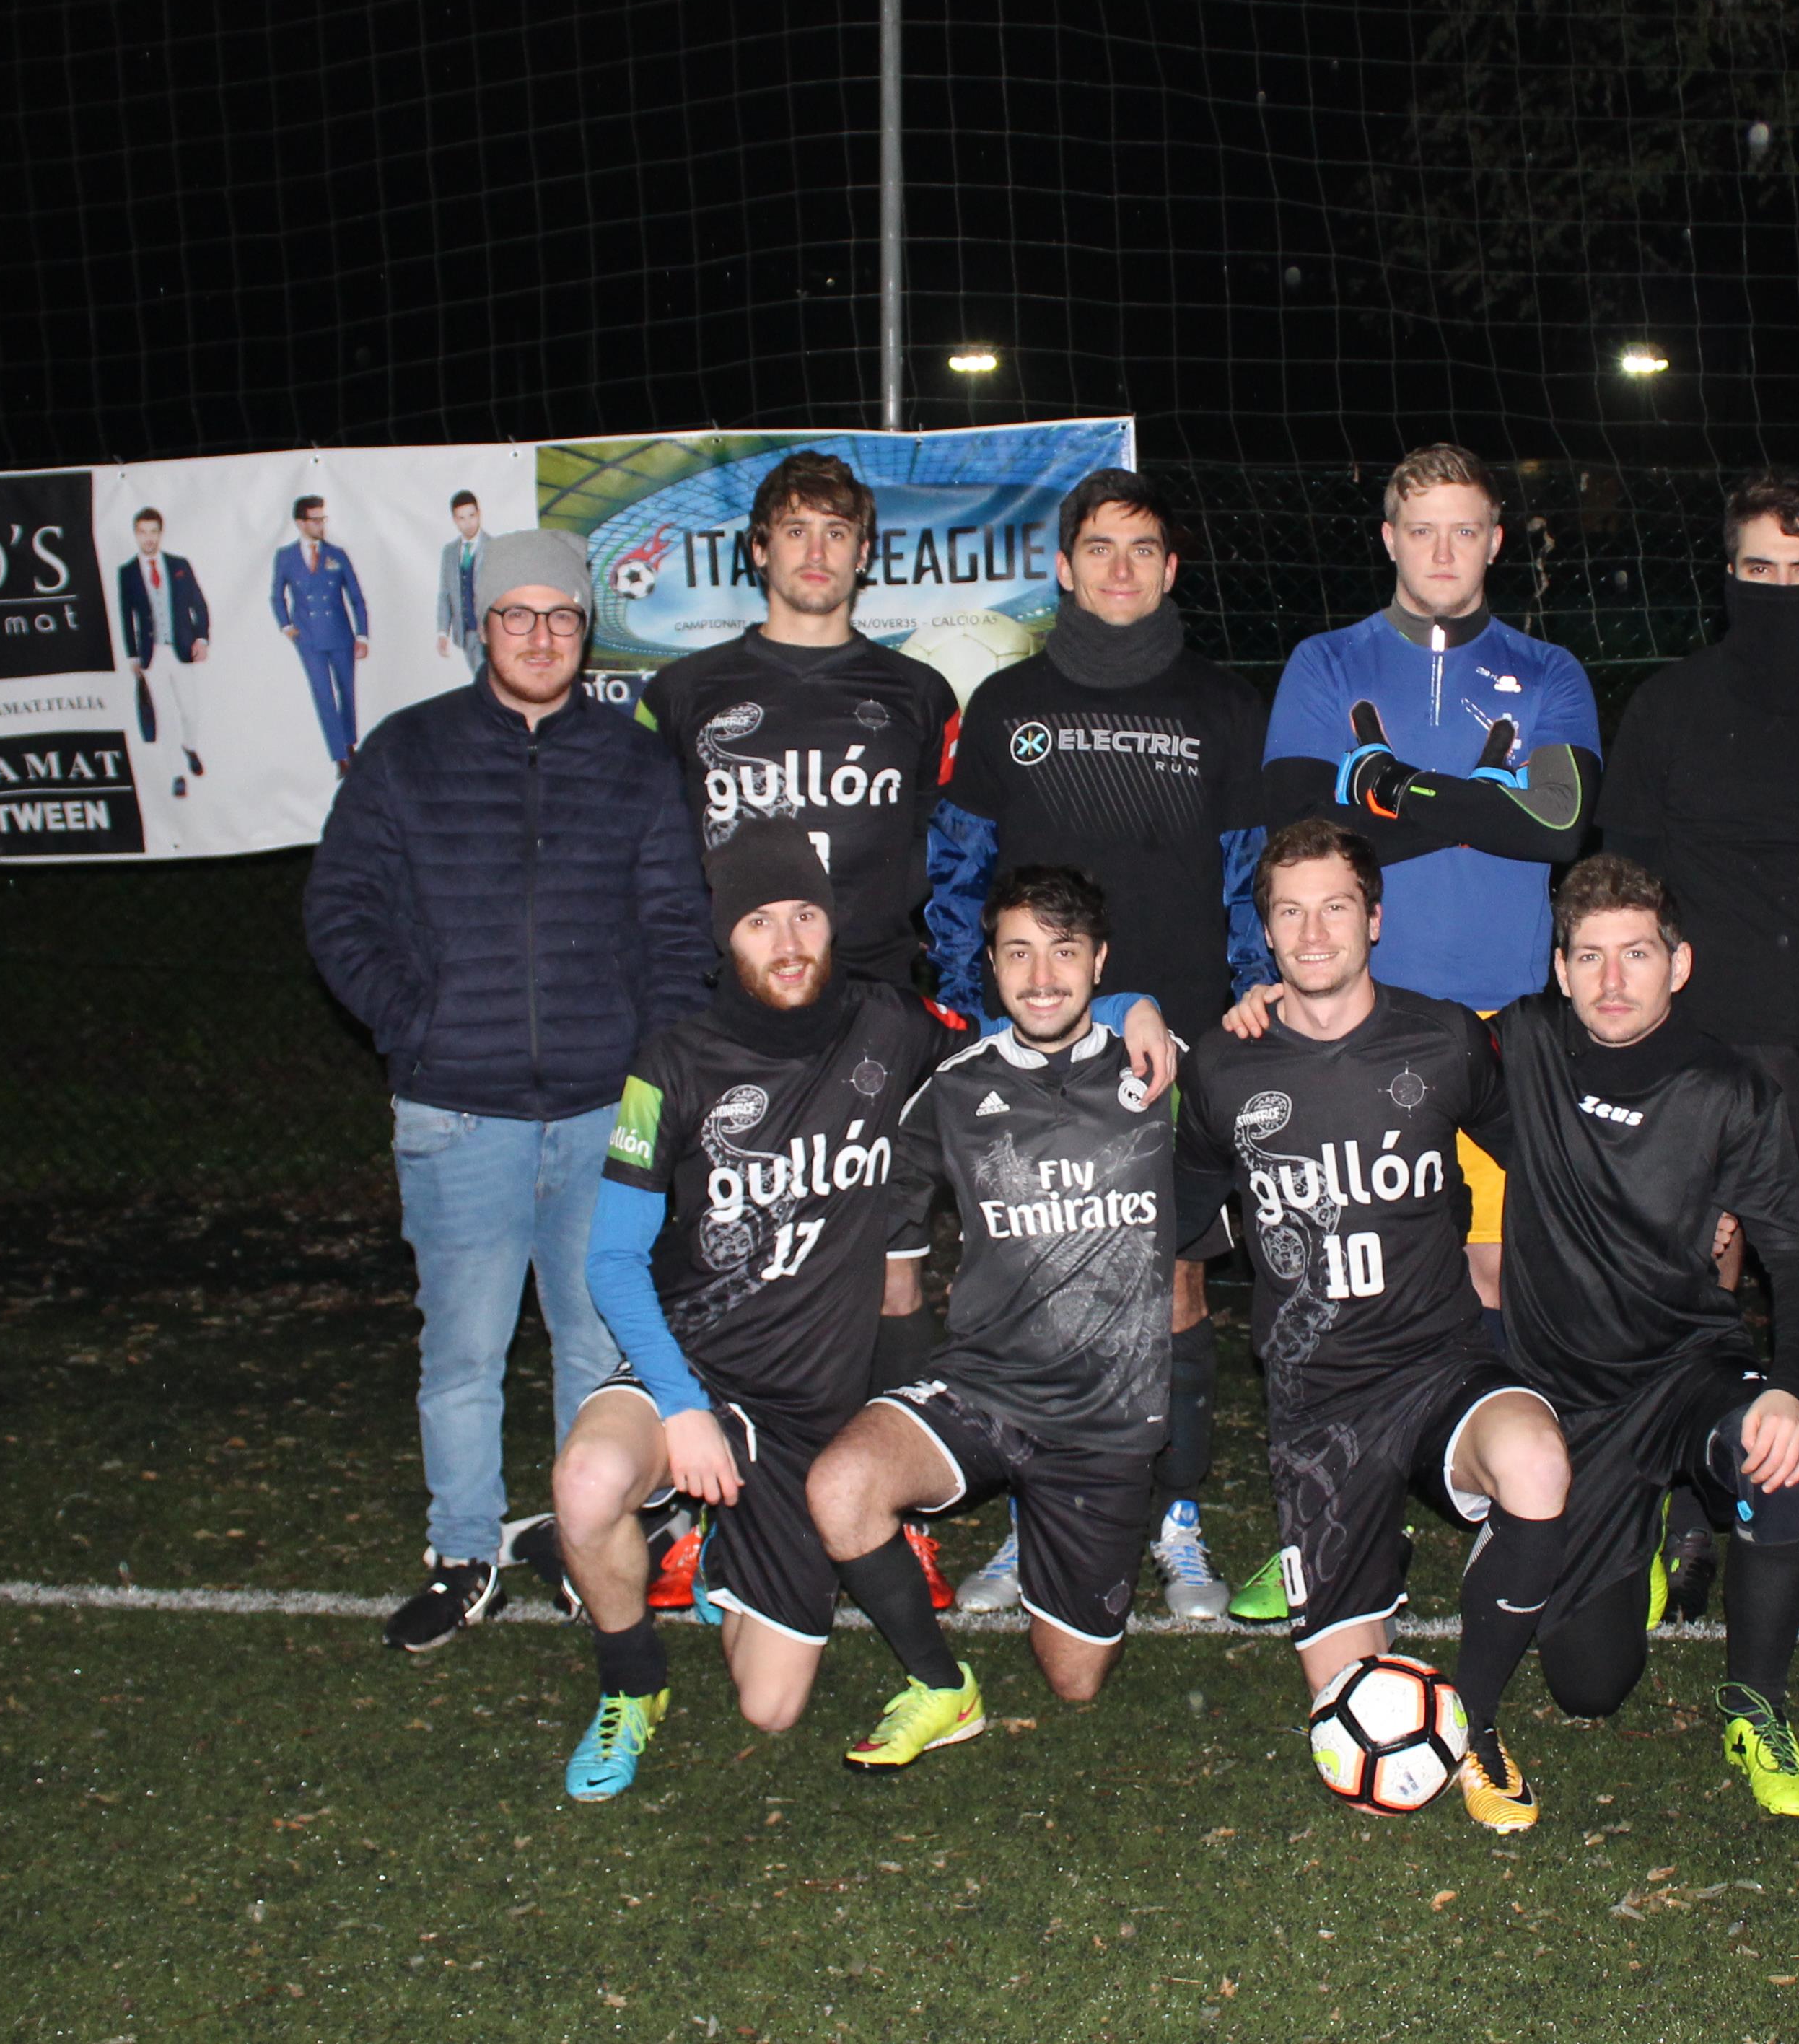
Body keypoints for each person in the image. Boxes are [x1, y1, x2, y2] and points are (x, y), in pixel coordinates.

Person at [548, 825, 1177, 1798]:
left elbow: (1031, 1017)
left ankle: (723, 1546)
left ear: (831, 922)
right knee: (589, 1482)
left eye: (804, 914)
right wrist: (678, 1403)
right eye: (758, 921)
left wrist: (1134, 1003)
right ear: (725, 936)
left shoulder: (894, 1027)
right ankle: (631, 1683)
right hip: (693, 1369)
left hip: (807, 1410)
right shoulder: (665, 1063)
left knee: (771, 1707)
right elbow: (611, 1259)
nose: (787, 941)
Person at [304, 527, 712, 1657]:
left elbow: (677, 931)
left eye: (562, 616)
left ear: (586, 629)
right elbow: (340, 909)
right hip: (457, 1111)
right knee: (462, 1356)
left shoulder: (634, 763)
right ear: (480, 627)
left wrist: (652, 1082)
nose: (540, 636)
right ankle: (462, 1552)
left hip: (603, 1113)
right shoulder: (408, 752)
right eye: (517, 615)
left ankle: (589, 1549)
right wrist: (416, 1021)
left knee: (596, 1348)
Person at [1241, 442, 1599, 1620]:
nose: (1443, 549)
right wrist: (1481, 800)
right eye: (1421, 528)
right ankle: (1334, 1508)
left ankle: (1511, 1505)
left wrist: (1386, 789)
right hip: (1353, 1028)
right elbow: (1300, 828)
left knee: (1493, 1269)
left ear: (1495, 541)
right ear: (1389, 537)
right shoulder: (1325, 660)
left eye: (1465, 528)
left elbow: (1560, 824)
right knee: (1345, 1280)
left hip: (1498, 1023)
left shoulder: (1546, 670)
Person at [927, 466, 1273, 1621]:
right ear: (1063, 568)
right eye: (1098, 548)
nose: (1119, 568)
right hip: (1038, 1041)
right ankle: (1036, 1515)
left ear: (1169, 569)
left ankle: (1173, 1516)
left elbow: (1247, 881)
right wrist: (983, 1021)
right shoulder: (1006, 705)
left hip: (1173, 1047)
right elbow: (958, 870)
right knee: (1039, 1281)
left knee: (1170, 1281)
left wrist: (1245, 1012)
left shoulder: (1223, 705)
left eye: (1142, 549)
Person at [1180, 819, 1570, 1830]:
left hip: (1440, 1365)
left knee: (1535, 1463)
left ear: (1375, 919)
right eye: (1289, 911)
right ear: (1265, 930)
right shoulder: (1222, 1066)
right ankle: (1369, 1547)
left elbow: (1539, 1153)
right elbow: (1180, 1213)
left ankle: (1476, 1725)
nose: (1313, 933)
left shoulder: (1443, 1039)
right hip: (1317, 1402)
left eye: (1335, 907)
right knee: (1341, 1716)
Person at [1598, 470, 1799, 1642]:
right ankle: (1689, 1524)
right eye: (1758, 570)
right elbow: (1623, 881)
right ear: (1727, 575)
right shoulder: (1669, 707)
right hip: (1697, 1047)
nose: (1781, 590)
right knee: (1696, 1297)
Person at [804, 865, 1179, 1771]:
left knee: (1074, 1681)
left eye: (1062, 952)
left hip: (1106, 1424)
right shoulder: (951, 1090)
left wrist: (1146, 1007)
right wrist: (892, 1394)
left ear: (1100, 961)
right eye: (1017, 953)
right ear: (990, 964)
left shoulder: (1161, 1070)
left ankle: (1051, 1537)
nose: (1040, 977)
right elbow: (889, 1254)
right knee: (840, 1485)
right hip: (984, 1390)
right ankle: (941, 1686)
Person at [1491, 852, 1799, 1820]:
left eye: (1635, 953)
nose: (1611, 979)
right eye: (1588, 956)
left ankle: (1754, 1706)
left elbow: (1794, 1257)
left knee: (1781, 1459)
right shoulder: (1521, 1043)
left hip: (1687, 1369)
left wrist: (1787, 1384)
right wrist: (1270, 1003)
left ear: (1677, 963)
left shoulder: (1730, 1089)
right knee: (1587, 1687)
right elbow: (1385, 1042)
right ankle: (1634, 1531)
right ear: (1558, 970)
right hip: (1568, 1408)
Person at [639, 450, 956, 991]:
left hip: (875, 992)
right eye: (795, 531)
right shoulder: (678, 692)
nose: (816, 552)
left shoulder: (923, 694)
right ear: (759, 550)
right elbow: (652, 852)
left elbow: (945, 842)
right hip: (729, 999)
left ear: (862, 553)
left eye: (836, 532)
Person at [271, 494, 372, 773]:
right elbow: (277, 596)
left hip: (341, 635)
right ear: (300, 523)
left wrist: (362, 635)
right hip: (309, 638)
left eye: (322, 519)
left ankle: (349, 742)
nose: (320, 525)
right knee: (323, 696)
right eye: (315, 520)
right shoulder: (286, 557)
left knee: (346, 691)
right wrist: (287, 626)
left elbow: (356, 597)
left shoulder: (337, 554)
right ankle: (340, 757)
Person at [115, 508, 211, 800]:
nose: (148, 538)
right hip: (151, 653)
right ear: (136, 534)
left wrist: (202, 639)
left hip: (181, 648)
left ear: (160, 533)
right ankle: (176, 774)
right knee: (165, 715)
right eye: (143, 532)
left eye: (153, 532)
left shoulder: (179, 565)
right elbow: (126, 616)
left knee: (191, 711)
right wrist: (133, 657)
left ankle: (189, 747)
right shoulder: (128, 572)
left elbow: (199, 604)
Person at [437, 491, 489, 675]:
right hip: (465, 633)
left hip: (489, 634)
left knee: (487, 679)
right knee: (479, 679)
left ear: (479, 514)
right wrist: (443, 632)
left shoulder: (494, 547)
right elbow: (445, 594)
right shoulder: (449, 552)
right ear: (454, 520)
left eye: (472, 516)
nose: (468, 523)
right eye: (462, 518)